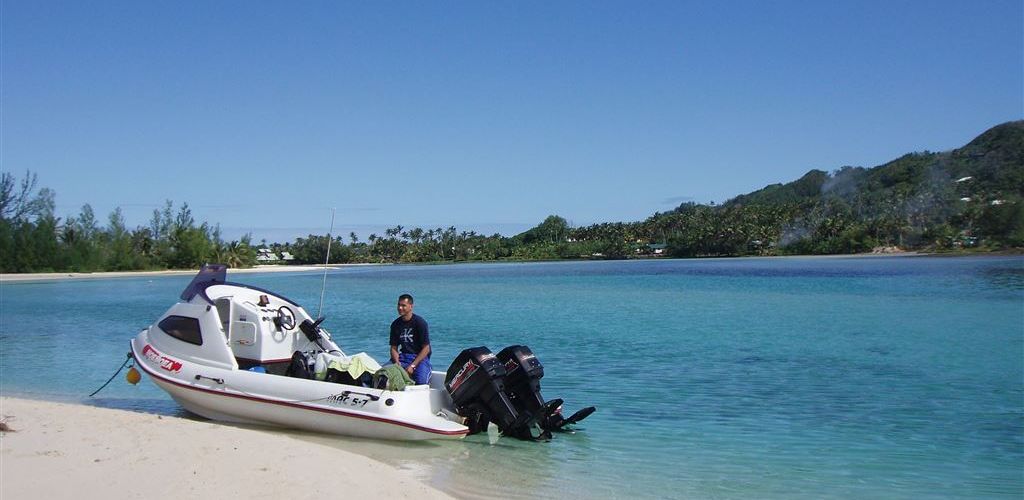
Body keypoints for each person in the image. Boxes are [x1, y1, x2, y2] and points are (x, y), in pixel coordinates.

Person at [389, 293, 431, 385]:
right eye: (399, 305)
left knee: (421, 381)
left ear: (411, 306)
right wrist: (397, 363)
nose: (400, 308)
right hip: (403, 357)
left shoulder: (420, 323)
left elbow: (426, 348)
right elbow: (393, 348)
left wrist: (413, 365)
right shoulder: (395, 324)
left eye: (403, 305)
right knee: (383, 375)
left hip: (419, 358)